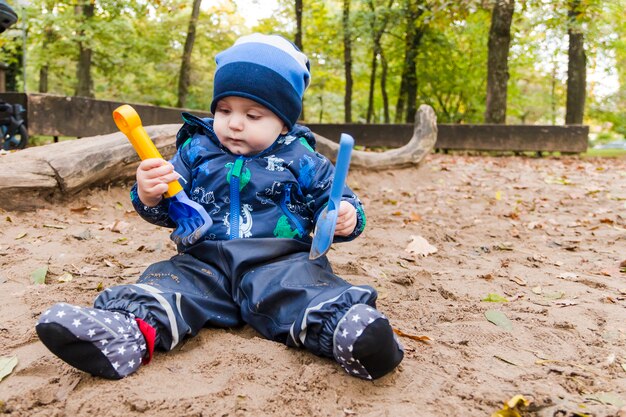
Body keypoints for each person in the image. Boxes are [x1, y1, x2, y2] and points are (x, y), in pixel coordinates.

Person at [35, 33, 404, 381]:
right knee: (165, 281)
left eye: (253, 115)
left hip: (279, 262)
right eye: (224, 110)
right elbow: (170, 209)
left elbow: (339, 202)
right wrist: (148, 193)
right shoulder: (196, 151)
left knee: (307, 289)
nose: (234, 123)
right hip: (202, 261)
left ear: (283, 121)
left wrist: (345, 216)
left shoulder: (303, 159)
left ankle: (350, 334)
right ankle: (124, 332)